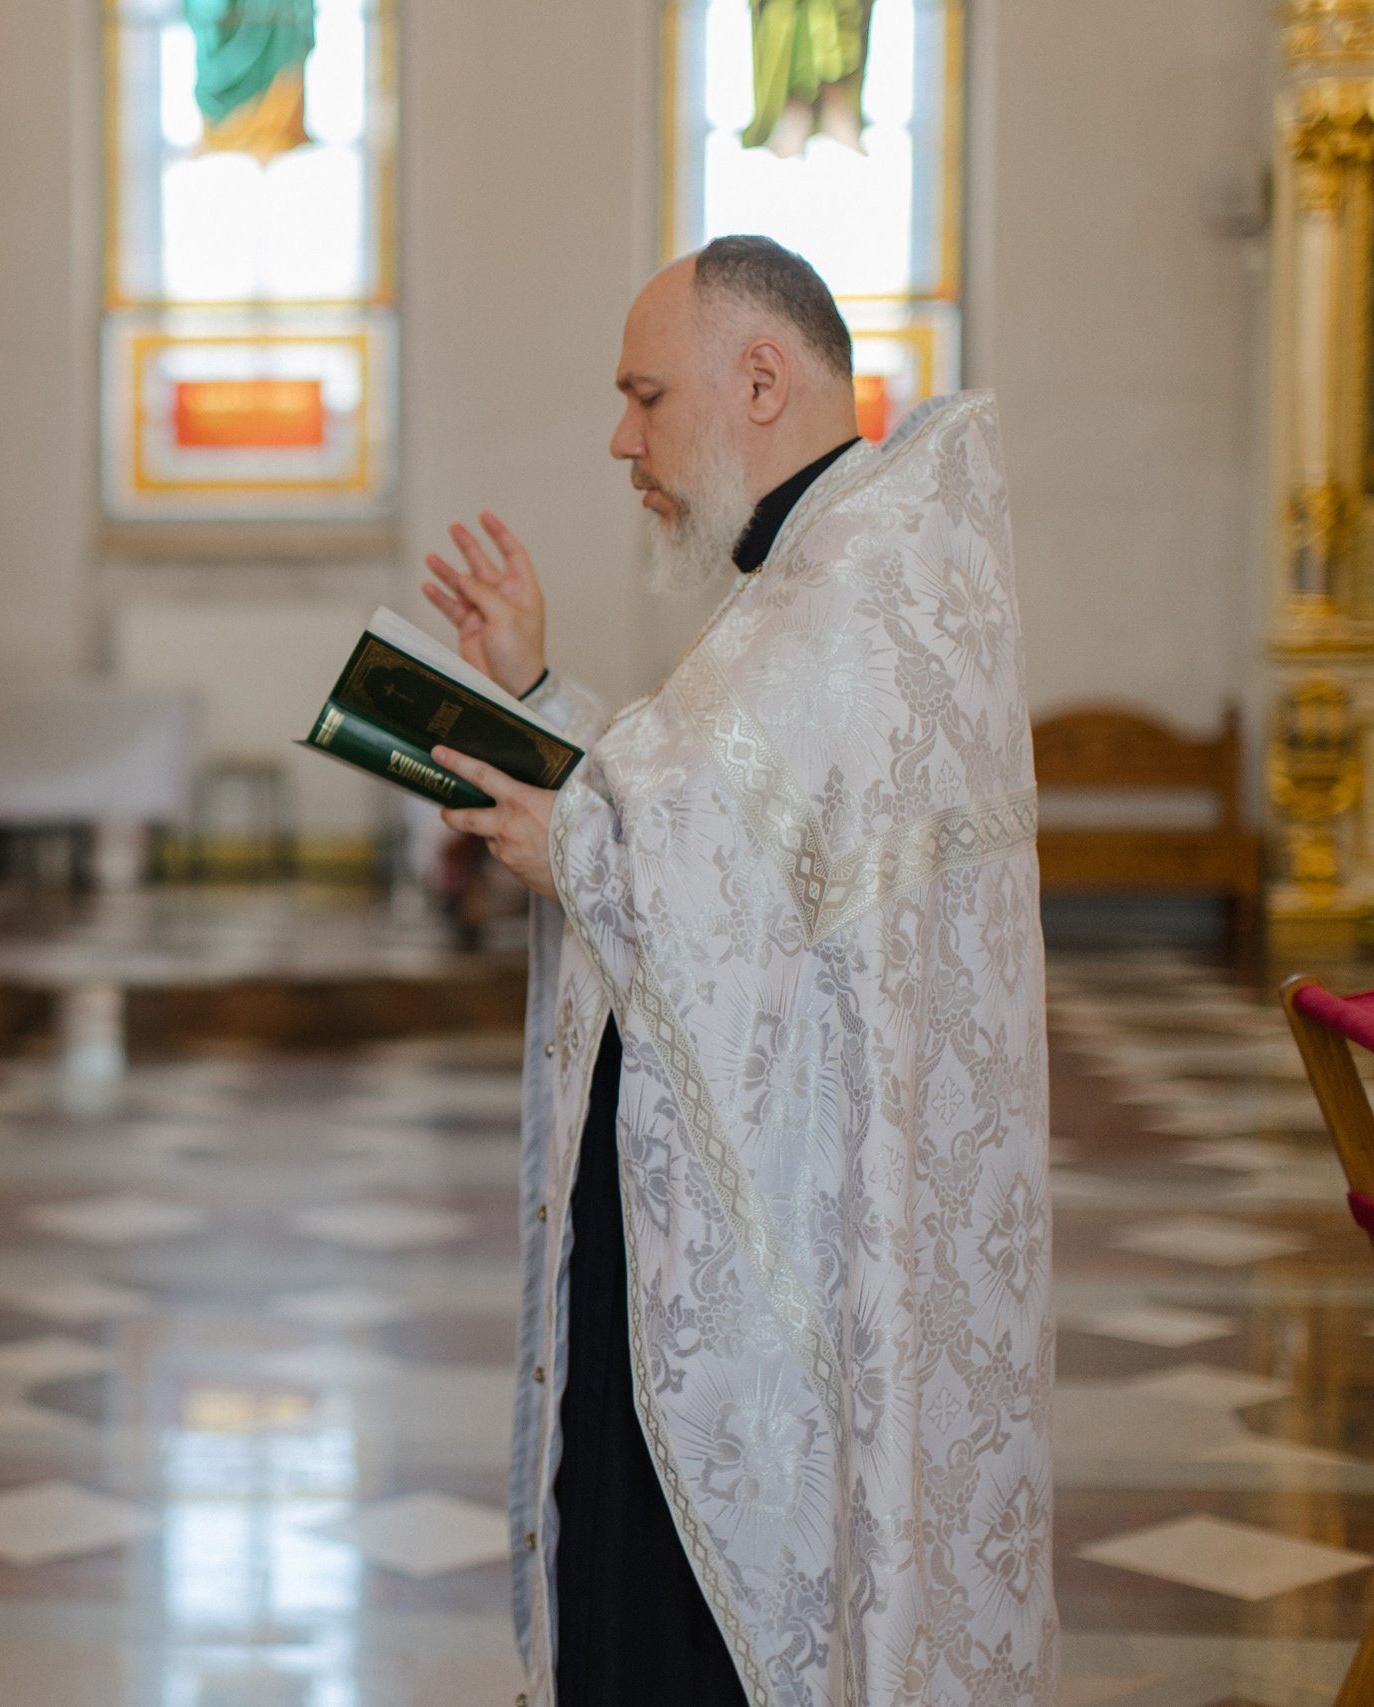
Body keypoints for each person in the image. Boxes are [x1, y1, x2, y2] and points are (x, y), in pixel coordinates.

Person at [423, 236, 1050, 1706]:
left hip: (785, 1248)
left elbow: (685, 849)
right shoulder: (836, 570)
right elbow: (718, 819)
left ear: (761, 375)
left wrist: (575, 847)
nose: (621, 438)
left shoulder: (844, 600)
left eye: (647, 395)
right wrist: (529, 694)